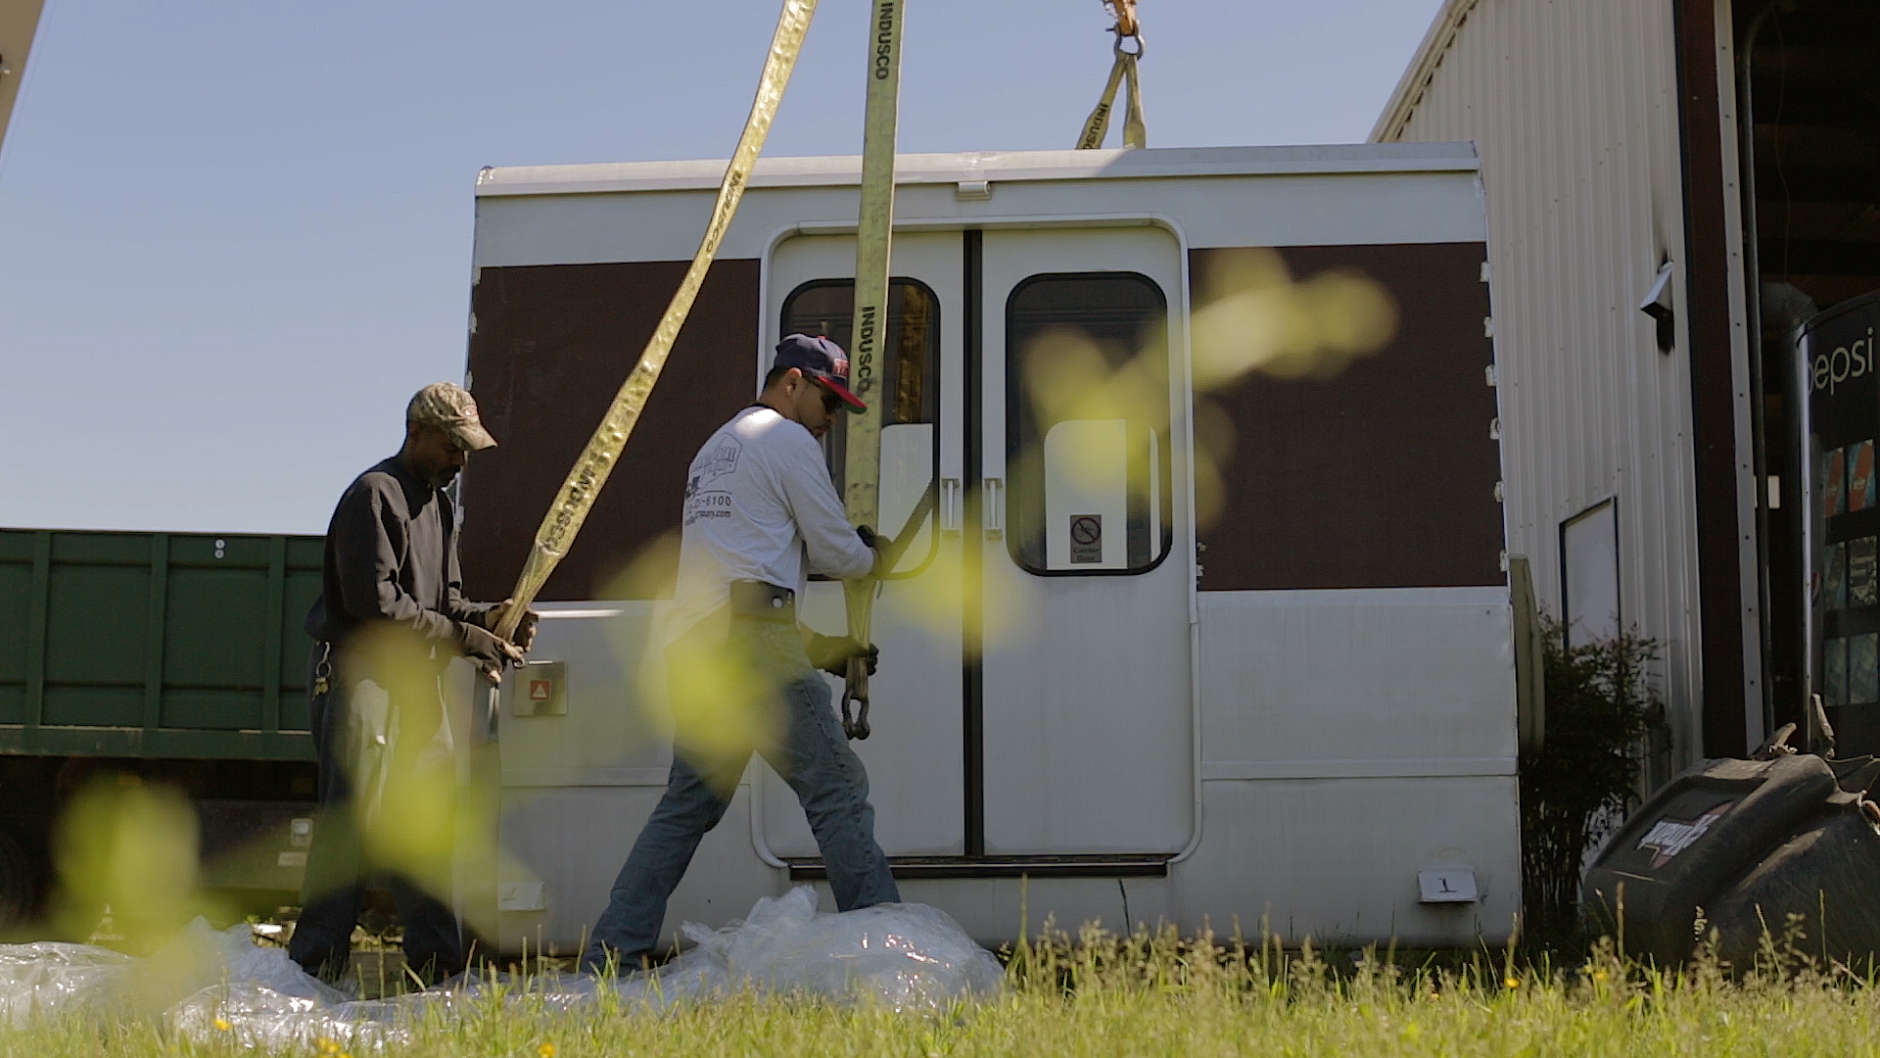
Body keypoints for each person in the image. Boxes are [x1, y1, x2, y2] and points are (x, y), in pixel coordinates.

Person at [579, 334, 898, 973]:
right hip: (752, 644)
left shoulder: (717, 448)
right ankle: (890, 956)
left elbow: (740, 580)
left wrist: (821, 649)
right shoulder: (786, 440)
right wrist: (872, 557)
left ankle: (611, 956)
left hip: (700, 648)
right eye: (829, 402)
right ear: (793, 384)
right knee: (836, 790)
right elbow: (832, 552)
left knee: (686, 808)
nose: (831, 419)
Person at [289, 381, 538, 984]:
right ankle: (312, 973)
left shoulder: (440, 506)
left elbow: (444, 604)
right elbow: (377, 607)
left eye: (467, 449)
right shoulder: (375, 495)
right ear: (417, 433)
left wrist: (492, 619)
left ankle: (437, 974)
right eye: (452, 446)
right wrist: (466, 639)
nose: (460, 460)